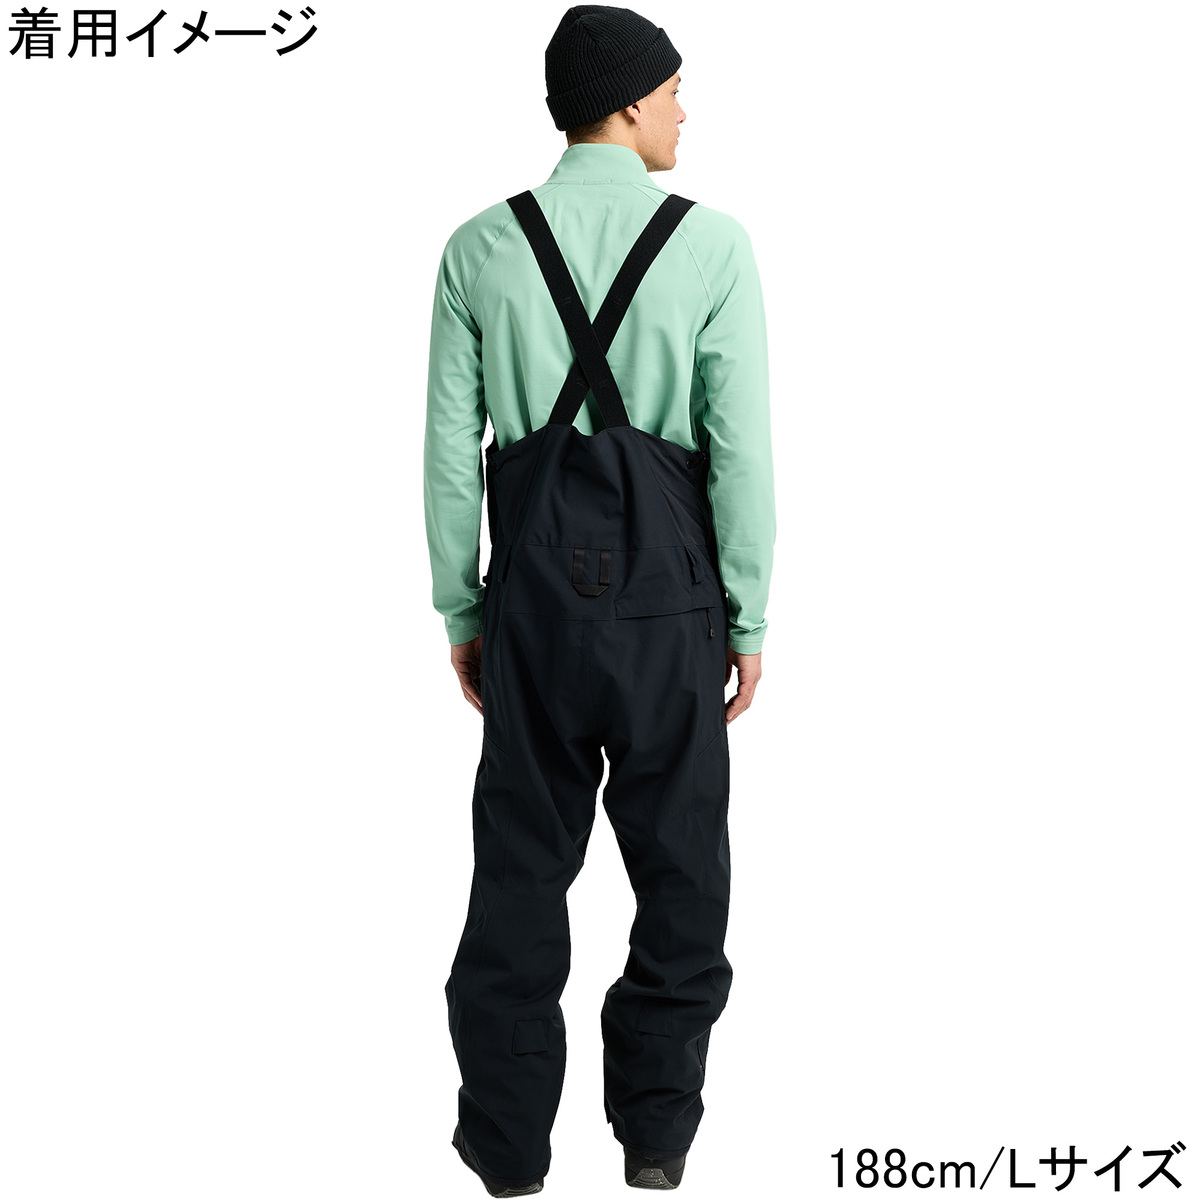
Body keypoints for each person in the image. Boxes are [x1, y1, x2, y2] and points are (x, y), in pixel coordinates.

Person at [423, 5, 775, 1193]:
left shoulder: (478, 248)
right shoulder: (712, 247)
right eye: (672, 90)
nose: (684, 111)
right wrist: (748, 616)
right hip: (673, 616)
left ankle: (509, 1153)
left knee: (518, 882)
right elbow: (740, 453)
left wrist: (463, 612)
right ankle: (658, 1142)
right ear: (626, 102)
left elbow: (448, 454)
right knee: (683, 880)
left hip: (530, 614)